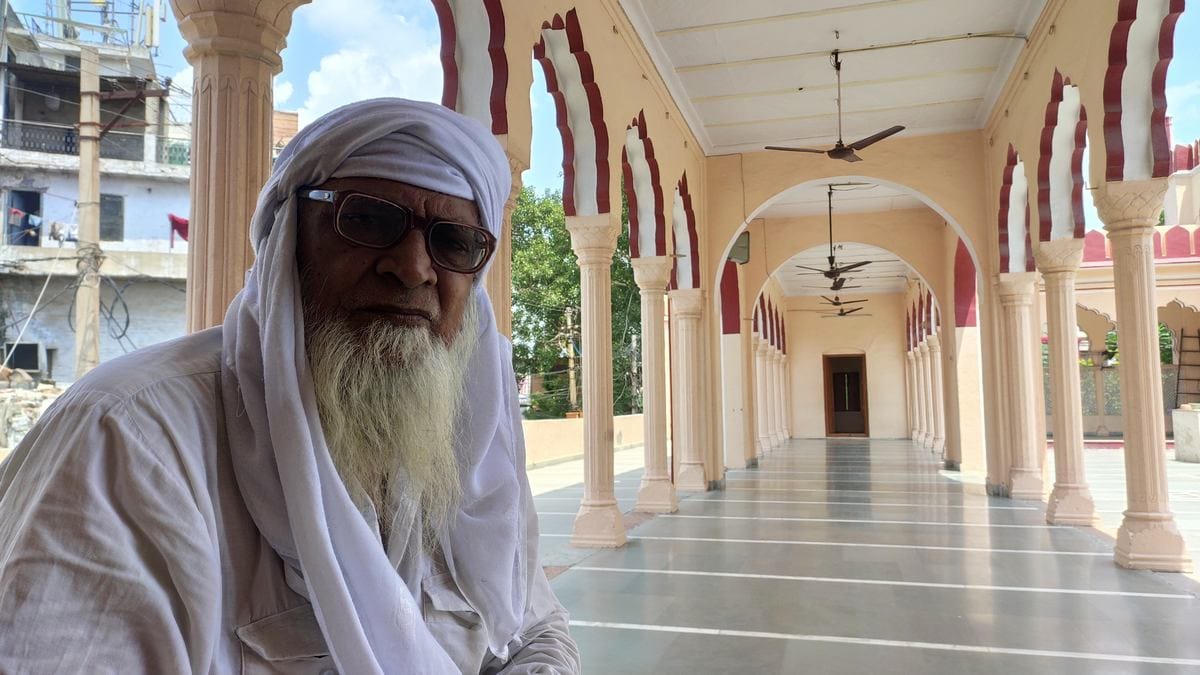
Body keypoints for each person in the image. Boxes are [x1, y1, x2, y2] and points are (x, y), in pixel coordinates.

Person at [0, 98, 581, 674]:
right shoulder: (129, 439)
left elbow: (534, 626)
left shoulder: (466, 439)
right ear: (288, 241)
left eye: (453, 241)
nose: (412, 267)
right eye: (368, 220)